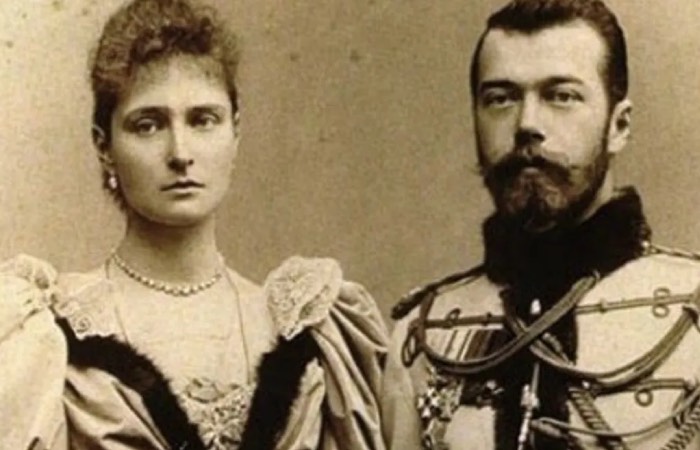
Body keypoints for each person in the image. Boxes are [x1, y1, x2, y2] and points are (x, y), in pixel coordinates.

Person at [0, 0, 389, 449]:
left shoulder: (308, 325)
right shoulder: (46, 333)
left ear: (235, 132)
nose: (180, 153)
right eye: (148, 125)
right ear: (104, 146)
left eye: (203, 120)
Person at [383, 0, 700, 449]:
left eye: (561, 96)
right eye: (501, 99)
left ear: (619, 125)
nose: (526, 124)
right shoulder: (423, 337)